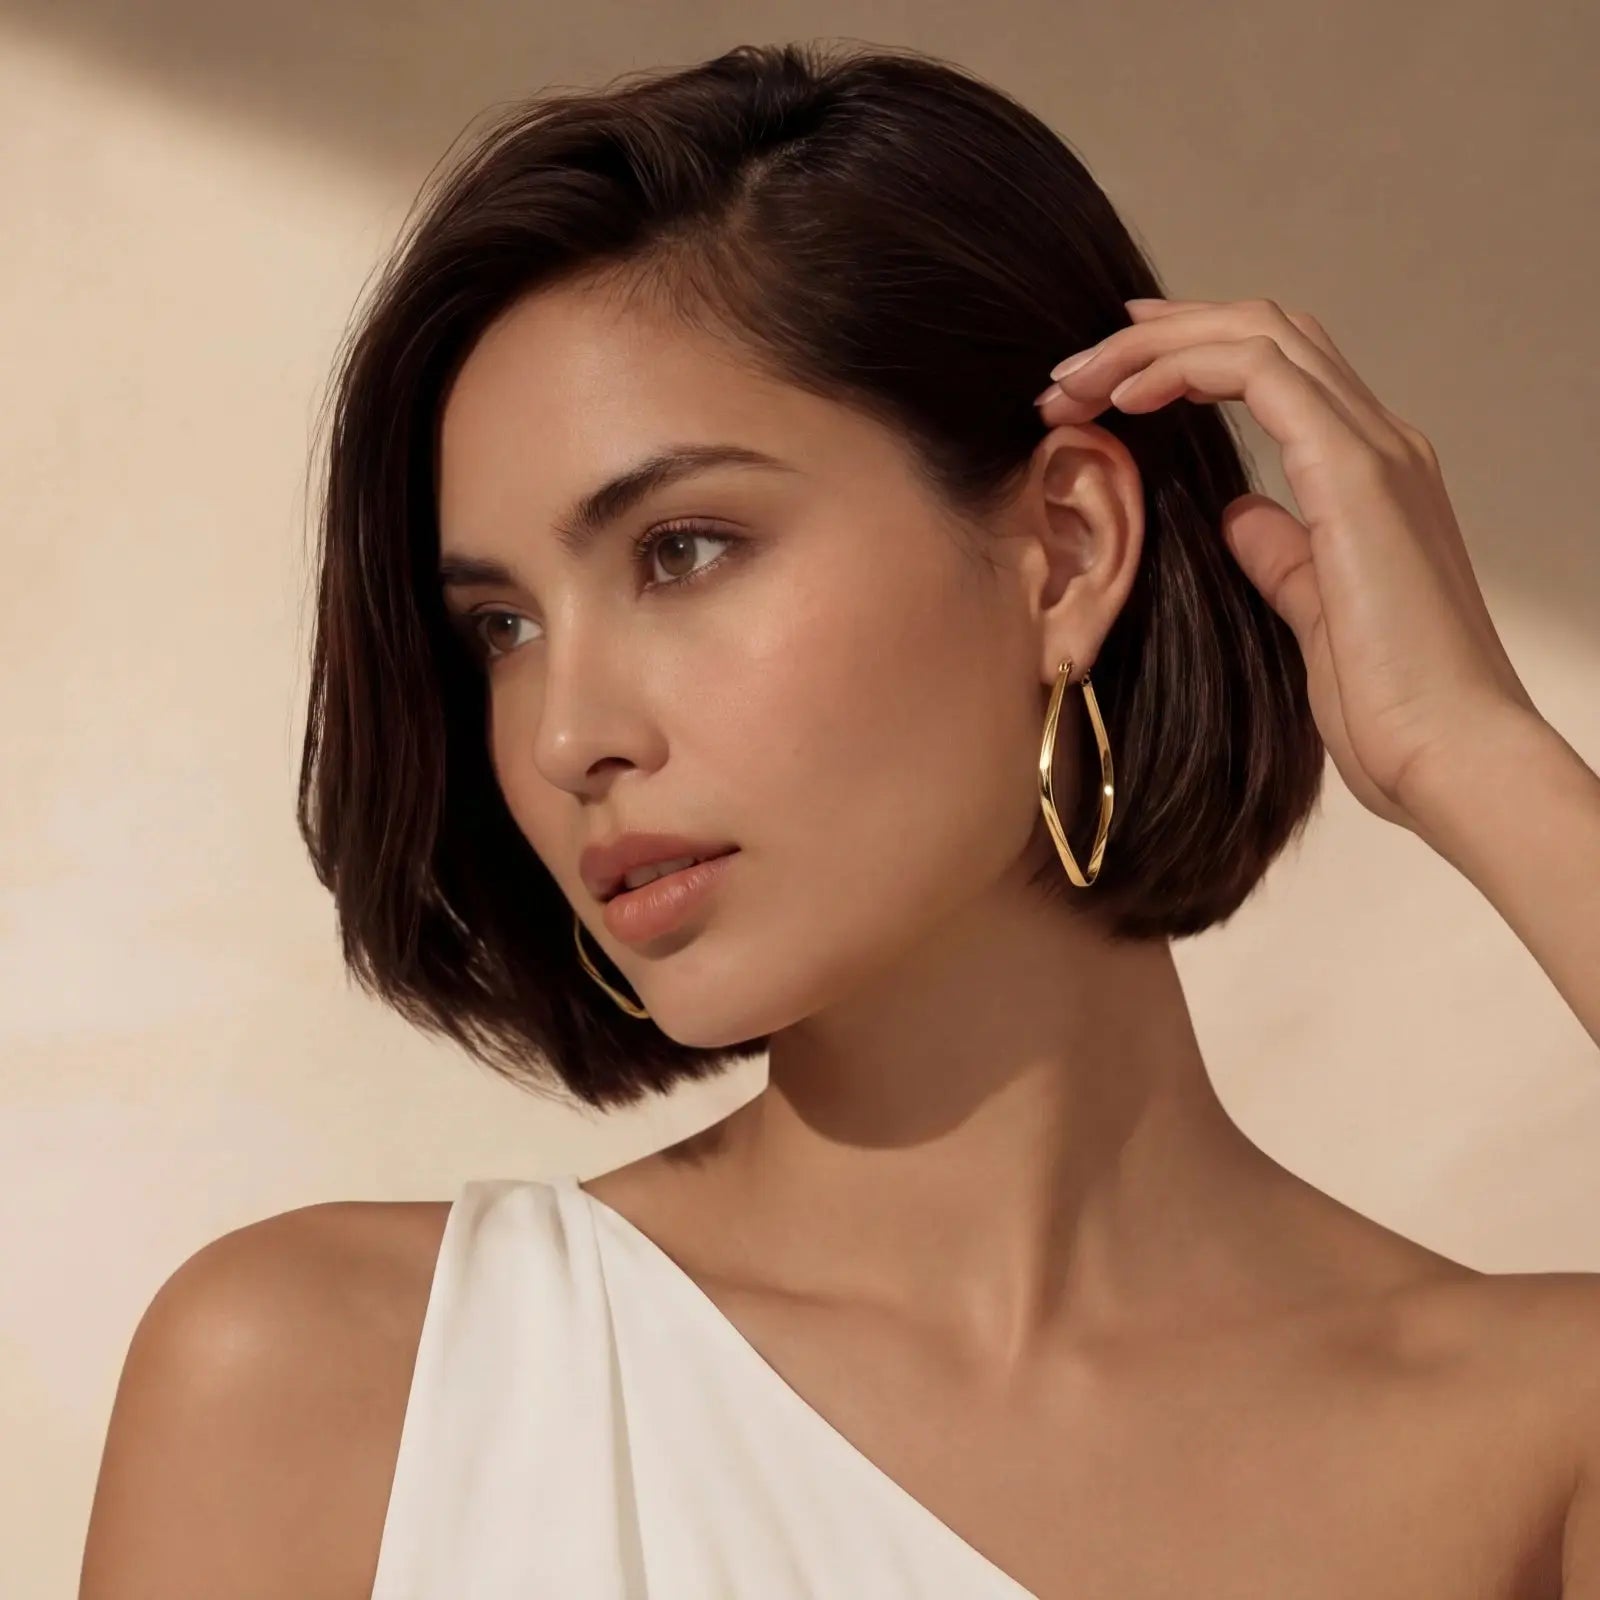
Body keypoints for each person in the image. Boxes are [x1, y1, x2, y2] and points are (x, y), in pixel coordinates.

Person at [79, 39, 1600, 1599]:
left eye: (681, 549)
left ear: (1067, 549)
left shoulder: (1531, 1437)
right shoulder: (330, 1388)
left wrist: (1475, 757)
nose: (567, 734)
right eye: (499, 628)